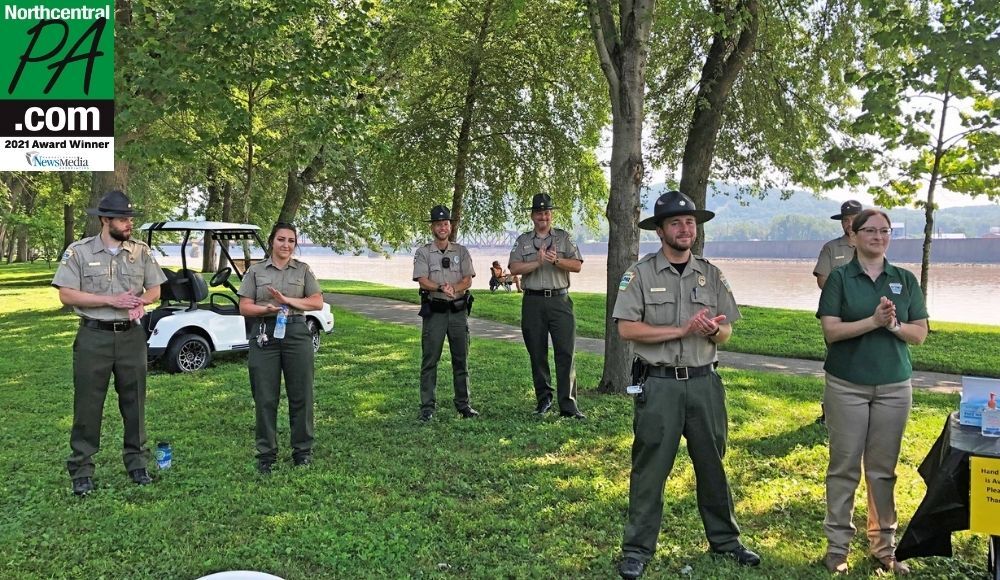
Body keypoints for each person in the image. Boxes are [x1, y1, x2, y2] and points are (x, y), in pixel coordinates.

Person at [613, 190, 761, 579]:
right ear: (660, 231)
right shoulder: (640, 274)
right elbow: (627, 328)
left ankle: (726, 542)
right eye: (676, 223)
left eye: (690, 222)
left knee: (713, 466)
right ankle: (637, 549)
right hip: (659, 385)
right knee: (650, 470)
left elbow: (728, 329)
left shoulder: (710, 274)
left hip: (704, 384)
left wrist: (715, 331)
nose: (685, 229)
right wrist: (679, 329)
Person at [817, 209, 928, 575]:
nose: (878, 236)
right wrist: (873, 321)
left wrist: (894, 325)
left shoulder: (905, 280)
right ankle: (837, 548)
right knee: (844, 467)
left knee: (883, 470)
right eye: (870, 230)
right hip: (847, 385)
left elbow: (919, 334)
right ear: (855, 235)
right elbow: (832, 332)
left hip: (894, 387)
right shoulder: (839, 278)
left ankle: (884, 547)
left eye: (885, 231)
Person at [52, 190, 168, 496]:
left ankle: (137, 463)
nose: (128, 223)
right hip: (94, 336)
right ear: (104, 220)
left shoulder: (141, 251)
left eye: (130, 218)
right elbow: (66, 293)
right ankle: (82, 469)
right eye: (122, 218)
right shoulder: (80, 252)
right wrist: (110, 300)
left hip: (131, 336)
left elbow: (155, 289)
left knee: (135, 401)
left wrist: (140, 301)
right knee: (88, 403)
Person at [238, 222, 324, 474]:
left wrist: (288, 301)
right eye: (281, 240)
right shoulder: (255, 271)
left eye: (291, 241)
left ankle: (302, 451)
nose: (286, 245)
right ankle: (266, 453)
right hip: (265, 333)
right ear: (271, 242)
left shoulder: (303, 270)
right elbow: (244, 306)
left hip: (296, 332)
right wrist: (265, 309)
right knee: (265, 396)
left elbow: (317, 302)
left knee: (302, 394)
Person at [508, 193, 585, 419]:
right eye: (539, 213)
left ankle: (568, 405)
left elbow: (578, 265)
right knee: (537, 352)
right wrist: (538, 262)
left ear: (551, 215)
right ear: (532, 216)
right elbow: (513, 268)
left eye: (547, 212)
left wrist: (556, 261)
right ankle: (544, 400)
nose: (544, 216)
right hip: (532, 301)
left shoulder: (563, 238)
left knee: (565, 352)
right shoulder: (523, 240)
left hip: (560, 301)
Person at [413, 205, 479, 421]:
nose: (442, 227)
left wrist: (455, 289)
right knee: (430, 360)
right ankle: (427, 407)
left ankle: (463, 405)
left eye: (446, 223)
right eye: (438, 224)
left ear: (450, 226)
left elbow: (468, 279)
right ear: (432, 227)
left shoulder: (461, 251)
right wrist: (441, 288)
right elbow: (423, 279)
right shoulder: (423, 252)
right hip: (436, 312)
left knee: (461, 359)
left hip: (458, 311)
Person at [813, 199, 863, 424]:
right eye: (845, 220)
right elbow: (823, 281)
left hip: (866, 317)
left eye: (853, 219)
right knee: (836, 364)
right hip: (836, 316)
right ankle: (830, 413)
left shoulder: (870, 245)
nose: (849, 224)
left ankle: (859, 410)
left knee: (863, 362)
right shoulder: (831, 248)